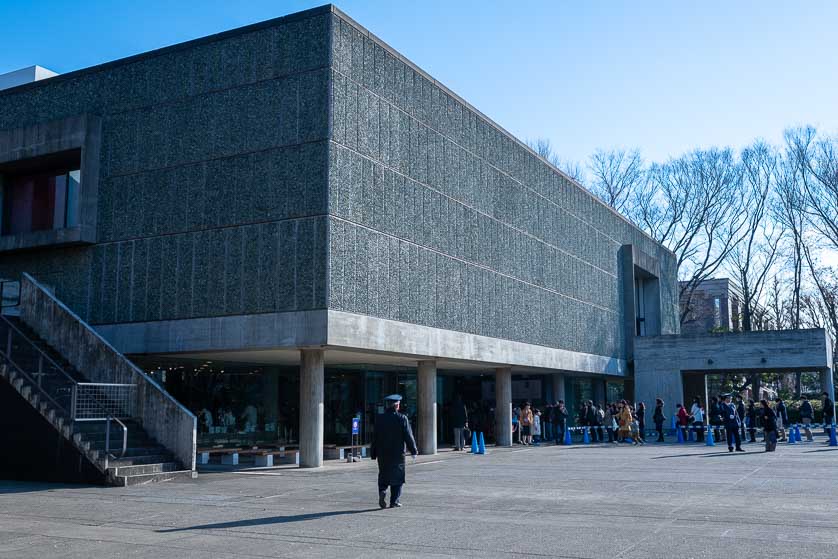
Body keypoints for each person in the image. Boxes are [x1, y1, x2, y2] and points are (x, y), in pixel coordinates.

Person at [371, 394, 418, 509]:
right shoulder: (402, 418)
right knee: (397, 477)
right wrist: (413, 450)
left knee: (383, 474)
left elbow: (375, 437)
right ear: (397, 405)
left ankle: (382, 490)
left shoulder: (380, 418)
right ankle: (394, 501)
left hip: (383, 453)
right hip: (397, 453)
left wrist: (373, 453)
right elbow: (408, 436)